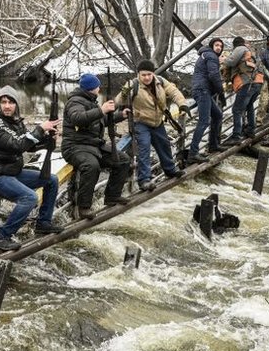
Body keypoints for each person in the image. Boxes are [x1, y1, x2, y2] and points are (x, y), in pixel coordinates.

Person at [0, 86, 64, 251]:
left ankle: (43, 223)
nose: (7, 106)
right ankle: (2, 236)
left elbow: (29, 146)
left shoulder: (15, 122)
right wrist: (39, 129)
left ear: (16, 104)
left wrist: (48, 138)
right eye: (3, 102)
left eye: (11, 102)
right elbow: (17, 145)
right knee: (29, 198)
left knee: (51, 180)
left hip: (11, 172)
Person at [62, 73, 131, 220]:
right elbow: (78, 119)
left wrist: (120, 115)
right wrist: (101, 110)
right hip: (75, 146)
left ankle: (112, 196)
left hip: (93, 145)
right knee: (92, 166)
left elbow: (99, 120)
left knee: (123, 160)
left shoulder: (90, 100)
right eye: (97, 86)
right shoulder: (75, 102)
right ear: (92, 88)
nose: (99, 89)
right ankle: (84, 207)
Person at [116, 61, 187, 192]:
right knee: (144, 148)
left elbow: (174, 92)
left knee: (164, 145)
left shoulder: (160, 81)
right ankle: (144, 180)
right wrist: (124, 93)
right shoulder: (133, 84)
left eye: (149, 74)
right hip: (141, 122)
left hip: (157, 121)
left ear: (153, 73)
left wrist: (182, 104)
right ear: (138, 74)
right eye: (143, 75)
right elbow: (119, 101)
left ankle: (170, 170)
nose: (147, 77)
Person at [188, 37, 227, 163]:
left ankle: (213, 145)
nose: (218, 48)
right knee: (204, 121)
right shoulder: (211, 56)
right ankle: (193, 153)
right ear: (211, 46)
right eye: (216, 45)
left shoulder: (206, 55)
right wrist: (221, 93)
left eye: (220, 46)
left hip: (202, 90)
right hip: (202, 90)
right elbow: (213, 75)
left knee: (217, 115)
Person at [223, 37, 264, 145]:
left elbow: (231, 62)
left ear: (235, 44)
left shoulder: (240, 48)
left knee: (236, 109)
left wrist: (223, 60)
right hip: (258, 82)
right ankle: (250, 130)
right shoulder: (252, 51)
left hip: (247, 83)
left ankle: (236, 136)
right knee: (249, 106)